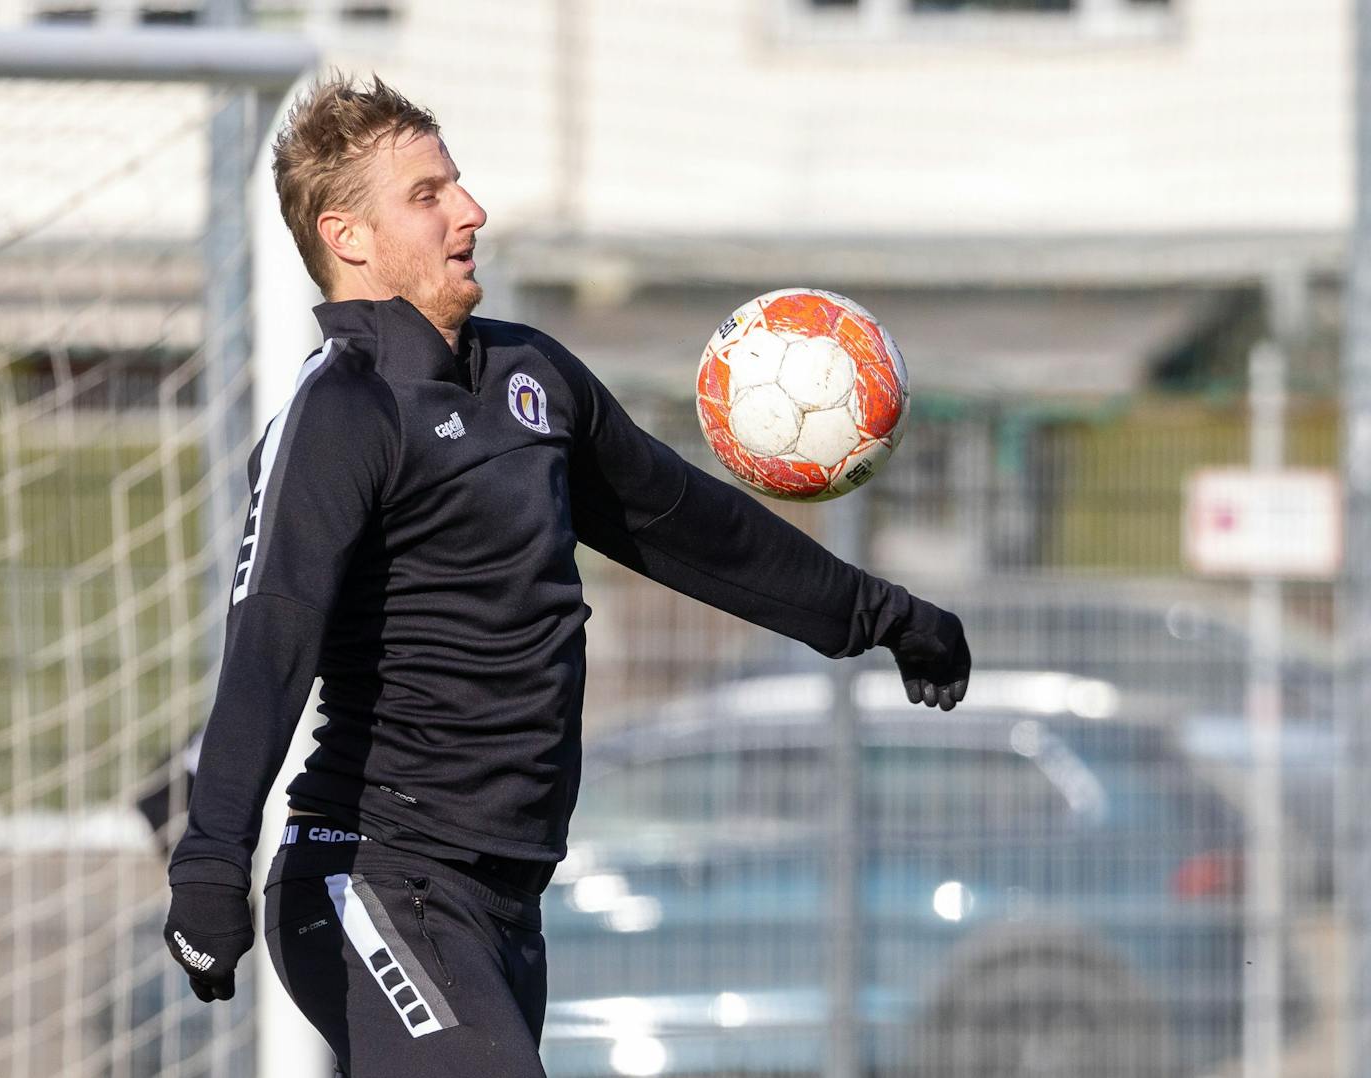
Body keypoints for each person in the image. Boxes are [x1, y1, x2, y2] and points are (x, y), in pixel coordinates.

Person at [163, 73, 970, 1078]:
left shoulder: (528, 375)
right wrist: (208, 858)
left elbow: (685, 525)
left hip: (505, 895)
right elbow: (271, 631)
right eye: (427, 194)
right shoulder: (343, 409)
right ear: (348, 236)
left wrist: (881, 614)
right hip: (373, 875)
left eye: (456, 183)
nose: (470, 210)